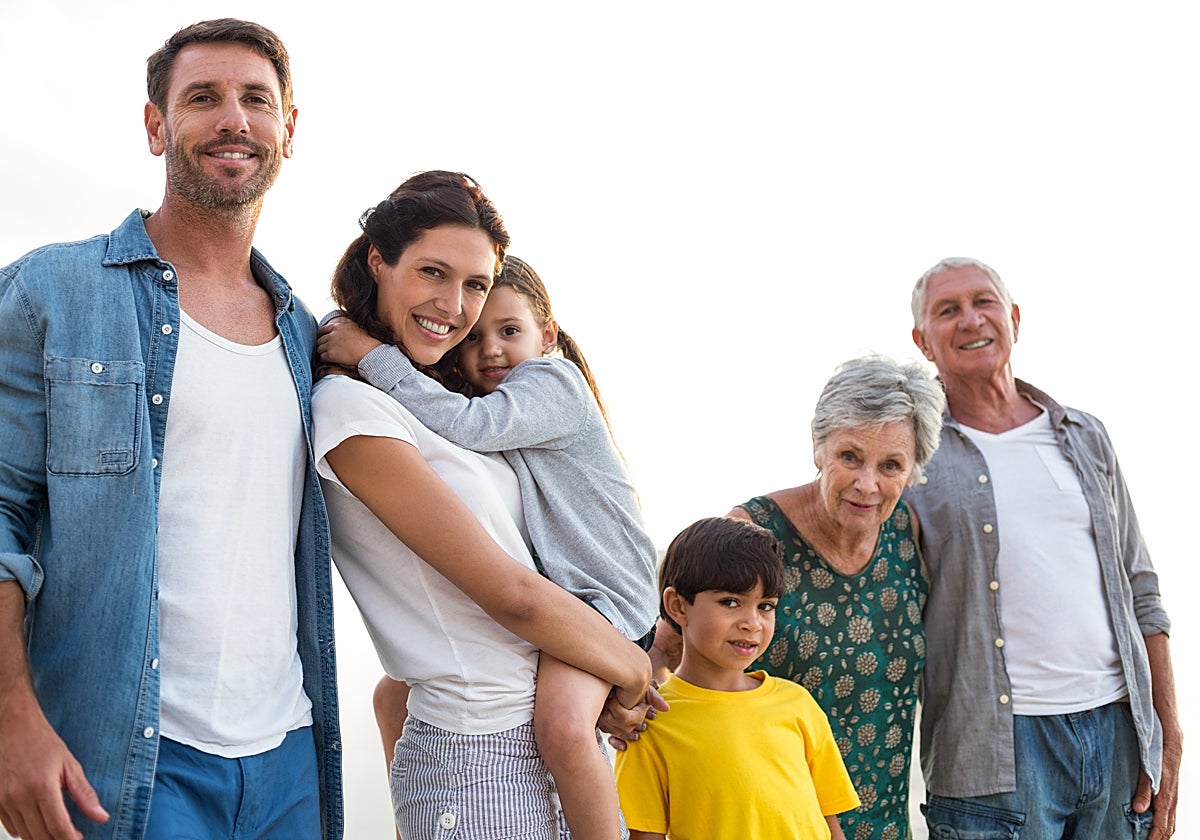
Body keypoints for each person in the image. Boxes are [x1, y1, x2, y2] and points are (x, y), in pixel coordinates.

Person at [0, 19, 340, 840]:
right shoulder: (53, 289)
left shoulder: (308, 337)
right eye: (202, 98)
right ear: (157, 126)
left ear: (288, 130)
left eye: (257, 100)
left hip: (290, 756)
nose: (234, 119)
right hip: (123, 761)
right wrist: (11, 720)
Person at [311, 171, 654, 840]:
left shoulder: (448, 403)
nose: (456, 306)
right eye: (433, 272)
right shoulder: (353, 407)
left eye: (473, 283)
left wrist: (598, 678)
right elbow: (514, 597)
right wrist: (632, 668)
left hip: (535, 740)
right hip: (479, 759)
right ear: (378, 260)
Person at [906, 257, 1182, 839]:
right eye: (946, 310)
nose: (970, 320)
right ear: (922, 341)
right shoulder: (910, 455)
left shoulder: (1085, 434)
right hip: (993, 757)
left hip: (1117, 734)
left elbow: (1141, 588)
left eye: (983, 302)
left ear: (1013, 317)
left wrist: (1167, 732)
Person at [621, 355, 944, 840]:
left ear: (913, 470)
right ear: (819, 449)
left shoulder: (906, 533)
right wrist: (626, 711)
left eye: (891, 465)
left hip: (883, 821)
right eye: (850, 456)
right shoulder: (753, 534)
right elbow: (666, 652)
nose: (867, 484)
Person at [614, 516, 861, 840]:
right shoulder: (650, 720)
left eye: (766, 605)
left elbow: (830, 824)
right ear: (677, 606)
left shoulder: (798, 704)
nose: (752, 622)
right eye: (731, 602)